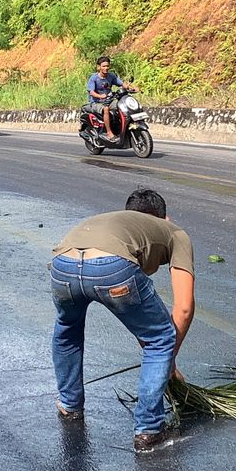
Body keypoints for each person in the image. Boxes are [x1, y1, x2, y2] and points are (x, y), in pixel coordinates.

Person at [48, 188, 195, 453]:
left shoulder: (118, 222)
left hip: (62, 264)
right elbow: (183, 310)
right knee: (161, 338)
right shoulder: (174, 232)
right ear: (166, 218)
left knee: (67, 330)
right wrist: (168, 361)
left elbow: (139, 316)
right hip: (111, 266)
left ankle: (70, 405)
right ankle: (149, 429)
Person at [86, 56, 137, 143]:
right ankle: (109, 132)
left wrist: (131, 88)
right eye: (103, 66)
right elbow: (91, 92)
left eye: (107, 66)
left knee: (123, 105)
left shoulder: (111, 76)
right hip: (96, 102)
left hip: (110, 100)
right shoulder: (94, 78)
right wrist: (100, 96)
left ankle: (125, 127)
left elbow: (121, 84)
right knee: (106, 109)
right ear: (99, 67)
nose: (106, 68)